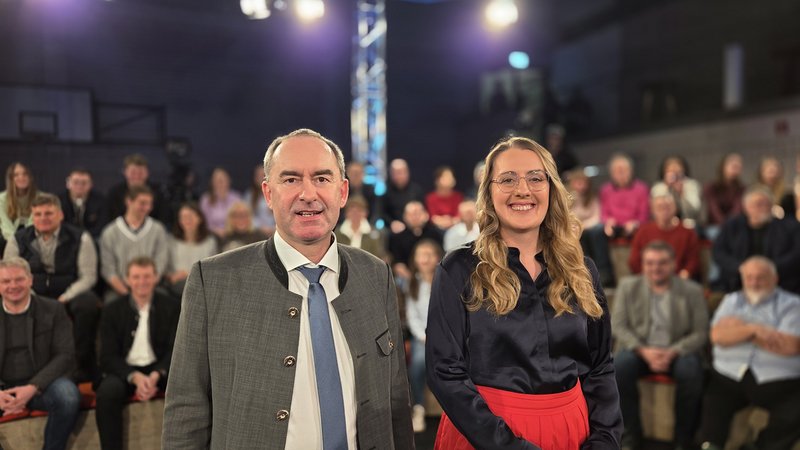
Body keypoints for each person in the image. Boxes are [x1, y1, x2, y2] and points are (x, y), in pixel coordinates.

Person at [163, 128, 414, 449]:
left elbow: (395, 398)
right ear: (268, 193)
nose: (308, 194)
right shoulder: (213, 280)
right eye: (291, 179)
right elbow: (186, 409)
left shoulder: (376, 274)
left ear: (343, 192)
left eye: (322, 179)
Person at [426, 136, 622, 449]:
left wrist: (604, 440)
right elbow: (445, 373)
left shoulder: (582, 269)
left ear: (551, 188)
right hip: (485, 437)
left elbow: (600, 366)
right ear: (488, 192)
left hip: (572, 433)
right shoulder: (458, 269)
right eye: (507, 179)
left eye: (535, 178)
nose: (523, 190)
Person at [612, 241, 708, 450]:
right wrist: (644, 351)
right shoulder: (628, 286)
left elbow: (700, 332)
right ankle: (630, 436)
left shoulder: (692, 290)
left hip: (678, 350)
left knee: (691, 373)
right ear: (643, 265)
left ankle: (683, 439)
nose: (655, 268)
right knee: (618, 368)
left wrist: (673, 352)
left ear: (673, 264)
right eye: (650, 263)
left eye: (662, 263)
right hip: (639, 349)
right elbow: (618, 326)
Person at [697, 256, 800, 450]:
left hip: (778, 378)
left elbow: (791, 345)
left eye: (761, 277)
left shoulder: (793, 304)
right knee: (712, 398)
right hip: (730, 373)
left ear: (774, 278)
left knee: (795, 410)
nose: (754, 282)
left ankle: (762, 445)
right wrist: (755, 330)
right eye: (749, 277)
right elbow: (717, 336)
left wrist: (739, 330)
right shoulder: (731, 301)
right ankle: (710, 445)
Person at [4, 193, 101, 381]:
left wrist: (65, 298)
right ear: (33, 216)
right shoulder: (18, 239)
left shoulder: (81, 238)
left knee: (88, 302)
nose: (43, 218)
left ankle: (82, 365)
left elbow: (88, 277)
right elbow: (11, 274)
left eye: (48, 213)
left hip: (68, 294)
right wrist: (32, 297)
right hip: (31, 294)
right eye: (38, 214)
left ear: (60, 215)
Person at [95, 256, 180, 450]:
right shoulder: (111, 310)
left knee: (188, 385)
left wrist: (157, 374)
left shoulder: (172, 306)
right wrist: (134, 377)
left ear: (156, 278)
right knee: (107, 392)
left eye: (147, 276)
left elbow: (175, 348)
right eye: (136, 277)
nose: (142, 282)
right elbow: (107, 357)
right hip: (124, 370)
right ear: (127, 280)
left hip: (160, 367)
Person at [0, 257, 81, 450]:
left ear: (30, 280)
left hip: (42, 386)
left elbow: (65, 354)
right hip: (3, 389)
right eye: (6, 281)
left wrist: (33, 387)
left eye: (19, 279)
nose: (13, 285)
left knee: (68, 396)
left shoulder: (53, 309)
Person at [713, 186, 800, 294]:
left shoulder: (789, 227)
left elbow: (796, 254)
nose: (764, 208)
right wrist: (741, 268)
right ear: (746, 207)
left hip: (781, 283)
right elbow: (718, 252)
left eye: (767, 204)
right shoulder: (732, 226)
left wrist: (769, 269)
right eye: (758, 204)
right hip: (736, 284)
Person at [99, 185, 169, 301]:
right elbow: (108, 269)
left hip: (151, 287)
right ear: (129, 201)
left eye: (149, 204)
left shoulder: (158, 230)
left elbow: (160, 263)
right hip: (120, 288)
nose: (147, 208)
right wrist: (127, 293)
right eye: (142, 203)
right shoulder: (110, 232)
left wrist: (145, 289)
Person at [404, 239, 443, 433]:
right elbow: (412, 316)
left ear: (437, 257)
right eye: (421, 254)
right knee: (418, 362)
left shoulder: (444, 280)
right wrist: (422, 336)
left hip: (444, 335)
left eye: (429, 254)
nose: (425, 259)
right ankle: (418, 407)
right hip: (422, 337)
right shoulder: (413, 283)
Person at [628, 194, 700, 280]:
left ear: (675, 208)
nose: (664, 210)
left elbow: (693, 261)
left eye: (668, 207)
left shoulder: (688, 233)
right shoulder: (643, 232)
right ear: (653, 210)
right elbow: (634, 261)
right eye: (659, 207)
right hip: (648, 280)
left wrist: (685, 275)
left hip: (678, 281)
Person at [567, 168, 615, 287]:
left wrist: (583, 226)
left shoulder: (593, 195)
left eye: (583, 182)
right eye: (577, 182)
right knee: (578, 236)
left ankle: (604, 274)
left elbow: (597, 216)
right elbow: (570, 217)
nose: (581, 186)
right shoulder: (569, 197)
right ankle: (586, 275)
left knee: (597, 232)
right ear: (572, 183)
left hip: (591, 228)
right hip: (577, 229)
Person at [165, 202, 218, 298]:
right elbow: (167, 269)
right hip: (177, 287)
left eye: (189, 216)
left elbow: (214, 268)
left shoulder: (210, 242)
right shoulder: (171, 241)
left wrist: (189, 274)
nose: (186, 220)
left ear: (200, 218)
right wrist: (172, 276)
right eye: (183, 217)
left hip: (202, 285)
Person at [106, 153, 170, 225]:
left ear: (147, 173)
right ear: (125, 172)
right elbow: (109, 219)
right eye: (133, 172)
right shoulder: (114, 192)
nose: (137, 176)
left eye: (141, 172)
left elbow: (164, 218)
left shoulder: (158, 192)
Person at [388, 200, 443, 282]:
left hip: (432, 275)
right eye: (410, 214)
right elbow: (398, 264)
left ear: (425, 215)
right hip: (407, 277)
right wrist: (412, 280)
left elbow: (440, 258)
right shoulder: (397, 238)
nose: (415, 217)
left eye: (417, 213)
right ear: (404, 217)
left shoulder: (435, 234)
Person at [599, 153, 650, 240]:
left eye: (624, 170)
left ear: (631, 171)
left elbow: (644, 214)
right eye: (618, 171)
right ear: (612, 173)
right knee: (597, 232)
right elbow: (604, 213)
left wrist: (635, 223)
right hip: (614, 227)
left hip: (634, 227)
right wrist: (608, 221)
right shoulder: (605, 190)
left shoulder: (641, 188)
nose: (621, 174)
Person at [650, 155, 704, 229]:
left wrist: (681, 193)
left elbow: (694, 210)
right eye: (670, 167)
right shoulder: (658, 187)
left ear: (683, 169)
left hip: (688, 221)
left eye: (677, 166)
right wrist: (667, 188)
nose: (674, 169)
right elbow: (657, 210)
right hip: (665, 223)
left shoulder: (692, 185)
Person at [59, 168, 108, 240]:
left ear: (91, 184)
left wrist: (85, 238)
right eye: (75, 182)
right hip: (66, 239)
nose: (79, 186)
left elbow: (102, 225)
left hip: (93, 239)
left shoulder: (101, 201)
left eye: (84, 183)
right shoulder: (58, 201)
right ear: (68, 183)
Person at [703, 153, 745, 236]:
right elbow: (713, 210)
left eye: (738, 167)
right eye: (733, 166)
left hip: (735, 225)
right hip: (715, 225)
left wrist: (730, 225)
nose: (735, 169)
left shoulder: (742, 189)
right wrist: (724, 225)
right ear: (723, 167)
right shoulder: (711, 187)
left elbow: (737, 209)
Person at [335, 195, 386, 260]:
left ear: (366, 213)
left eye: (359, 211)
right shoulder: (337, 233)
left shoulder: (374, 233)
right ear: (346, 213)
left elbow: (378, 256)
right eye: (352, 211)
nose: (355, 214)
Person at [383, 158, 426, 233]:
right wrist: (391, 223)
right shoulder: (385, 192)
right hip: (394, 230)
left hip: (415, 228)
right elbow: (381, 213)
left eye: (400, 172)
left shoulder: (417, 190)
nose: (398, 176)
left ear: (407, 172)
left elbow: (424, 212)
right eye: (395, 173)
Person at [0, 162, 41, 240]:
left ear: (30, 177)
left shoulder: (40, 197)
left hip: (32, 238)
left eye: (25, 174)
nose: (21, 177)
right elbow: (5, 226)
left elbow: (33, 225)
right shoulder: (1, 199)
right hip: (8, 239)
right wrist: (15, 243)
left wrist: (25, 244)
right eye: (16, 175)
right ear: (11, 179)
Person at [200, 167, 242, 237]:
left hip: (233, 234)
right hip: (212, 235)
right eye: (217, 181)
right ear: (212, 183)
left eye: (222, 180)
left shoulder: (236, 198)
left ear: (229, 181)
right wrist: (216, 231)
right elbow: (204, 223)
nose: (220, 183)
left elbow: (240, 218)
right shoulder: (206, 200)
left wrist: (228, 230)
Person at [755, 155, 796, 220]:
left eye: (775, 172)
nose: (773, 175)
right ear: (761, 173)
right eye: (770, 172)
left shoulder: (787, 196)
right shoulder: (754, 194)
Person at [425, 166, 464, 230]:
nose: (450, 179)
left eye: (451, 177)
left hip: (455, 227)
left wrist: (452, 222)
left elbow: (459, 216)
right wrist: (443, 222)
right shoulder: (430, 198)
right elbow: (432, 217)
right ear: (437, 180)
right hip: (437, 229)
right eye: (446, 177)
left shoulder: (458, 196)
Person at [243, 164, 276, 236]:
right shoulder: (249, 195)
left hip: (275, 231)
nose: (260, 178)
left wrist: (274, 228)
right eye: (258, 176)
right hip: (256, 232)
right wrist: (260, 228)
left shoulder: (276, 194)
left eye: (263, 175)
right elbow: (248, 216)